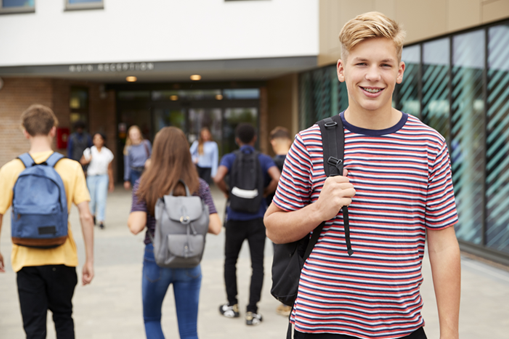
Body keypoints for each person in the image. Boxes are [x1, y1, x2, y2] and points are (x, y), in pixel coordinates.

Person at [264, 12, 460, 339]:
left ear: (399, 72)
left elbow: (442, 244)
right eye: (361, 64)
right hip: (318, 327)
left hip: (401, 329)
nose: (373, 76)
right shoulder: (310, 141)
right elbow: (273, 227)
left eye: (385, 65)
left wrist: (450, 333)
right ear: (342, 70)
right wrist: (318, 210)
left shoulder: (429, 143)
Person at [0, 104, 95, 338]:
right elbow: (85, 215)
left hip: (26, 260)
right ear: (54, 130)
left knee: (34, 329)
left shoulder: (11, 169)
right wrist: (89, 260)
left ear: (25, 132)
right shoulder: (71, 168)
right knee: (64, 319)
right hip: (62, 258)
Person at [127, 126, 222, 339]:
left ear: (157, 152)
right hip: (189, 258)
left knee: (151, 319)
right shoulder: (199, 185)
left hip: (156, 258)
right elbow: (216, 227)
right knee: (189, 330)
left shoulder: (147, 183)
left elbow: (135, 226)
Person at [214, 123, 280, 326]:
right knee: (257, 265)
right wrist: (264, 193)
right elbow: (277, 178)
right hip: (257, 218)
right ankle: (252, 311)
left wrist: (228, 193)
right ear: (254, 139)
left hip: (234, 218)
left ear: (237, 139)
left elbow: (217, 177)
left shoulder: (230, 158)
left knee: (230, 261)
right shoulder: (263, 158)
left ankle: (232, 305)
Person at [266, 126, 294, 318]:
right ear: (290, 142)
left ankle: (287, 302)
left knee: (281, 259)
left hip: (280, 220)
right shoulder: (299, 161)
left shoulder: (272, 164)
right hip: (301, 219)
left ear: (273, 142)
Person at [80, 132, 114, 229]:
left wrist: (111, 182)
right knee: (92, 199)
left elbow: (110, 169)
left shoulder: (107, 153)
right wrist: (88, 160)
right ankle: (93, 215)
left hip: (103, 177)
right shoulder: (89, 151)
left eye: (100, 139)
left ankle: (101, 220)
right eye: (96, 139)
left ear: (103, 141)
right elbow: (81, 161)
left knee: (101, 198)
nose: (98, 141)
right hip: (92, 177)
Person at [124, 125, 152, 190]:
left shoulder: (146, 143)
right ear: (129, 136)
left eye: (136, 134)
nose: (134, 136)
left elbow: (152, 155)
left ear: (139, 134)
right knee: (137, 192)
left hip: (145, 171)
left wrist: (149, 160)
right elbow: (127, 164)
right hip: (134, 172)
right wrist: (126, 179)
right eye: (132, 134)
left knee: (147, 190)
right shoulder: (128, 148)